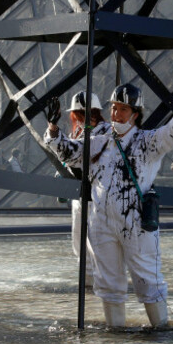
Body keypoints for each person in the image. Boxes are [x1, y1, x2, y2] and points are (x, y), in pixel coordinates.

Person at [44, 81, 173, 327]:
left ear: (136, 114)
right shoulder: (99, 139)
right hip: (101, 221)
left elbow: (172, 133)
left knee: (147, 277)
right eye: (114, 108)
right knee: (107, 281)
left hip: (136, 222)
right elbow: (69, 152)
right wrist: (52, 128)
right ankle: (116, 335)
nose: (116, 113)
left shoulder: (147, 141)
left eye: (123, 109)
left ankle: (161, 332)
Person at [64, 91, 110, 287]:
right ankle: (88, 280)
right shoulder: (77, 133)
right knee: (79, 240)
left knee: (95, 240)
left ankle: (98, 281)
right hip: (80, 196)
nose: (82, 117)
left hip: (97, 194)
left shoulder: (105, 131)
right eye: (80, 114)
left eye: (84, 113)